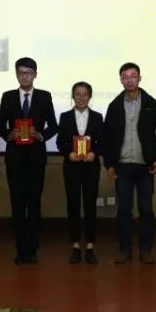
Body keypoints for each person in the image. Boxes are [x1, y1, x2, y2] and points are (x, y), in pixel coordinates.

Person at [103, 62, 156, 264]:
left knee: (146, 210)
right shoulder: (114, 106)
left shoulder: (152, 104)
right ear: (121, 80)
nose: (129, 80)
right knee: (124, 210)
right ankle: (125, 249)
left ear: (139, 78)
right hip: (122, 166)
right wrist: (109, 164)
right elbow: (107, 137)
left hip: (145, 167)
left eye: (133, 76)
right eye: (125, 77)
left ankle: (146, 250)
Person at [0, 57, 58, 264]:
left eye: (28, 73)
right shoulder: (8, 97)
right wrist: (9, 134)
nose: (25, 76)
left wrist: (41, 135)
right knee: (17, 204)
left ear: (35, 74)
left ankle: (33, 249)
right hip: (14, 158)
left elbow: (53, 126)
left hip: (36, 158)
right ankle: (20, 249)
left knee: (34, 204)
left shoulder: (44, 96)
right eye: (21, 73)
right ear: (16, 75)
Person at [56, 82, 103, 264]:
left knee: (90, 204)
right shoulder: (65, 117)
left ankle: (90, 245)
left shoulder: (97, 117)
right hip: (72, 167)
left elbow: (102, 141)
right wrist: (68, 153)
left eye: (85, 94)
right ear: (73, 96)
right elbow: (60, 142)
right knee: (73, 204)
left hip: (91, 167)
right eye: (78, 94)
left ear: (90, 97)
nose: (81, 97)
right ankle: (75, 244)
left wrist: (94, 153)